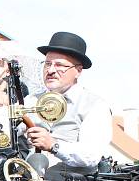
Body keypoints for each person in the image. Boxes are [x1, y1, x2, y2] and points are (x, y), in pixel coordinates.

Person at [23, 32, 112, 170]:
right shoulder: (30, 101)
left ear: (78, 71)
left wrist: (53, 145)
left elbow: (91, 155)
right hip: (26, 178)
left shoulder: (95, 106)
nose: (51, 70)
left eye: (60, 65)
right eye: (47, 64)